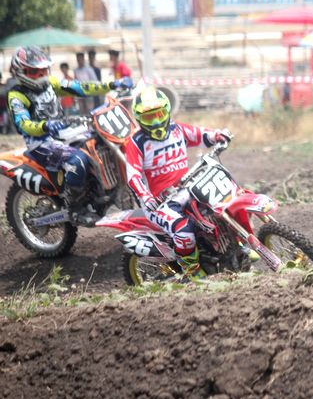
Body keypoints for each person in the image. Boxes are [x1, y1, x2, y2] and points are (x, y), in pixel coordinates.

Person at [6, 46, 132, 218]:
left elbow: (81, 87)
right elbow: (23, 124)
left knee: (101, 142)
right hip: (41, 142)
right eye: (35, 72)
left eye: (44, 70)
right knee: (78, 160)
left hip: (63, 133)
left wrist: (111, 85)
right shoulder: (16, 95)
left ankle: (103, 191)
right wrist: (45, 126)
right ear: (21, 71)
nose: (41, 75)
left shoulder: (51, 83)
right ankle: (74, 207)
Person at [125, 86, 232, 278]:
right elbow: (133, 176)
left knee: (221, 203)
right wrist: (146, 197)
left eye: (158, 114)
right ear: (139, 118)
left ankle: (236, 247)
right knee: (184, 230)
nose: (155, 121)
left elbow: (200, 135)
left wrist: (217, 135)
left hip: (187, 188)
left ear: (167, 111)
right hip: (158, 202)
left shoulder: (177, 129)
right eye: (149, 117)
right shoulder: (136, 142)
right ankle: (191, 271)